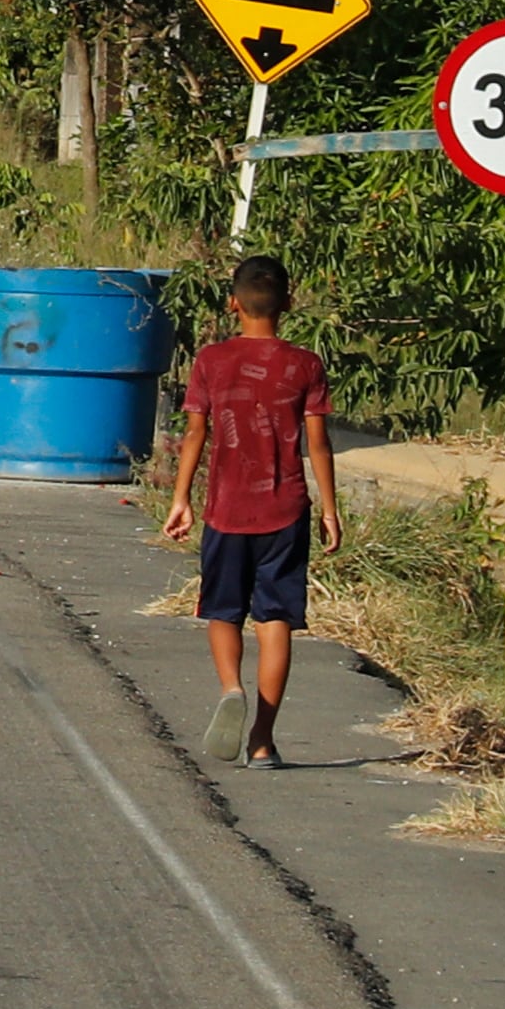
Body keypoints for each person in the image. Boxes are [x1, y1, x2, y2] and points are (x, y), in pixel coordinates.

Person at [163, 255, 344, 772]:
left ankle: (231, 688)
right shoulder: (305, 364)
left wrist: (181, 499)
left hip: (226, 508)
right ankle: (262, 740)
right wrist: (330, 509)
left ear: (233, 304)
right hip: (285, 509)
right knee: (275, 618)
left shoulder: (212, 361)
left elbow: (195, 433)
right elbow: (318, 443)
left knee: (222, 610)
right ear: (288, 302)